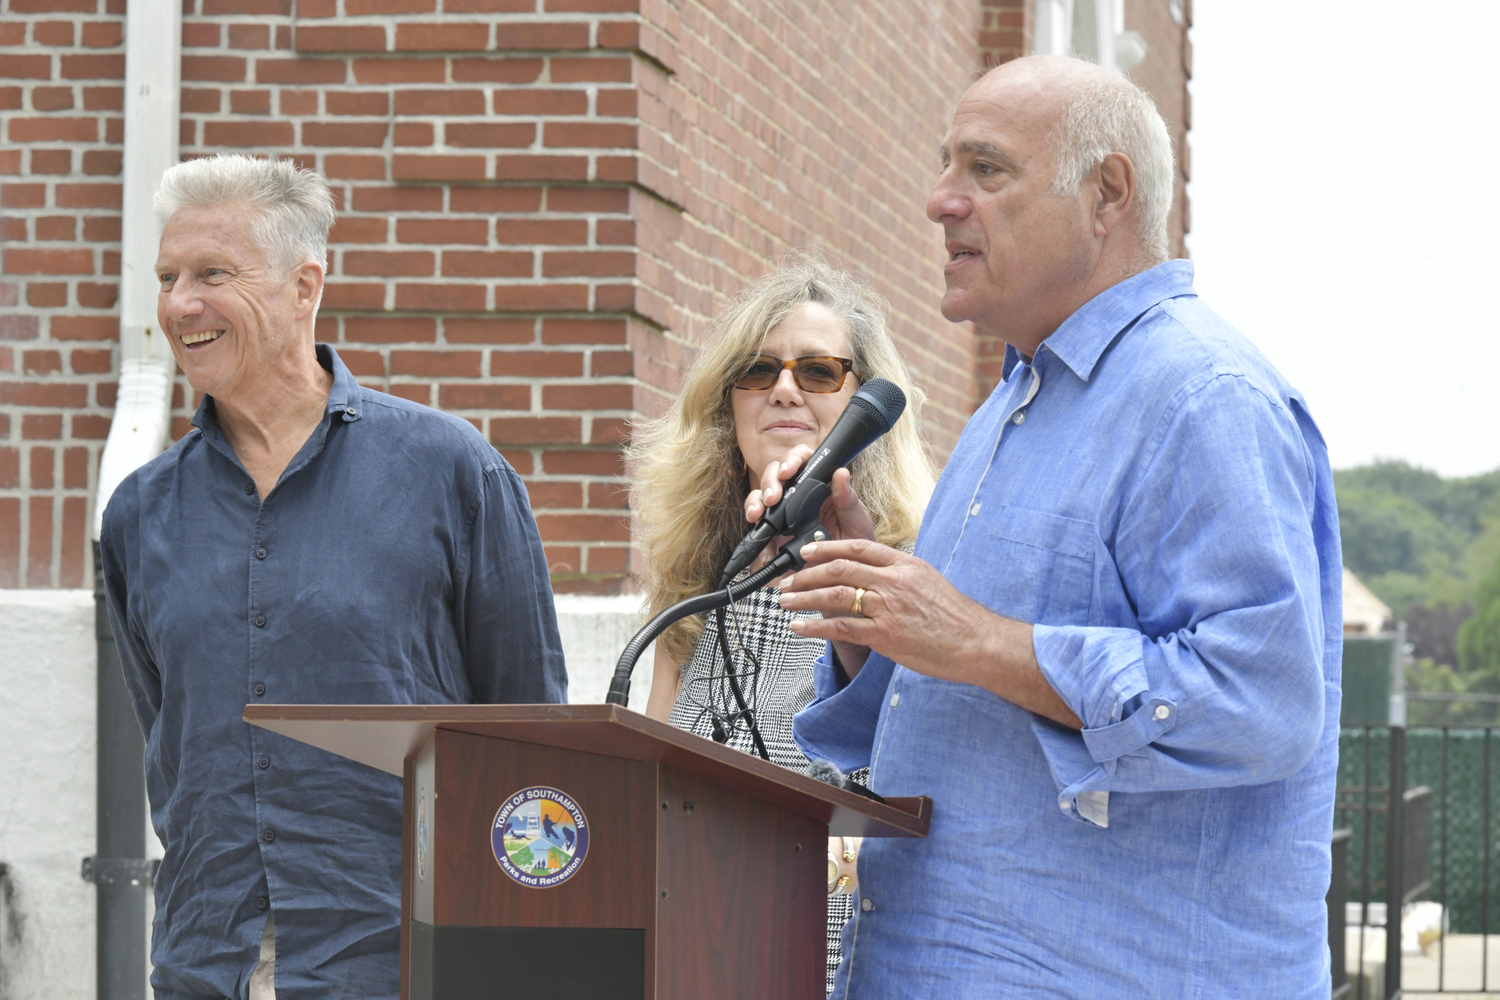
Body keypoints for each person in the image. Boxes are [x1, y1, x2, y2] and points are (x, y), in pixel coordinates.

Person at [775, 57, 1342, 998]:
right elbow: (969, 703)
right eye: (945, 165)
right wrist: (868, 609)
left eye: (985, 170)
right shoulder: (1017, 402)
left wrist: (981, 642)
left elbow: (1262, 702)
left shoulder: (1204, 398)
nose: (938, 201)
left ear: (1106, 193)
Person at [100, 154, 567, 1000]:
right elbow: (172, 738)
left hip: (404, 964)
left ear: (303, 284)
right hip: (207, 963)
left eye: (212, 274)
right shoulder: (140, 513)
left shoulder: (452, 471)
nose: (178, 305)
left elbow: (532, 744)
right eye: (168, 277)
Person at [628, 254, 935, 993]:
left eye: (819, 372)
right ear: (727, 403)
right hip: (699, 947)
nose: (786, 390)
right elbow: (649, 788)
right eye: (760, 372)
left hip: (843, 958)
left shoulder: (913, 567)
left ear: (863, 401)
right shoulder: (694, 581)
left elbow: (907, 755)